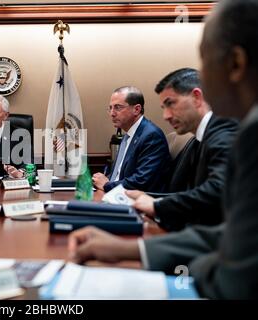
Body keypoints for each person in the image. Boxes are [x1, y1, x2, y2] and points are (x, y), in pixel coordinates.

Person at [68, 0, 258, 299]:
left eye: (205, 61)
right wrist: (130, 249)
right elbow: (239, 235)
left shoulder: (243, 132)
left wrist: (181, 274)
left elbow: (236, 276)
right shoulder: (225, 131)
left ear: (235, 64)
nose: (202, 75)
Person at [131, 68, 238, 231]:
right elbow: (192, 192)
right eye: (163, 108)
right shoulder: (201, 136)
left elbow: (218, 190)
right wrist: (147, 198)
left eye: (170, 103)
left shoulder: (224, 130)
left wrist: (158, 205)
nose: (165, 116)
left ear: (196, 97)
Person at [92, 86, 170, 193]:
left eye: (118, 107)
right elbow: (118, 174)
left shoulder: (151, 136)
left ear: (136, 109)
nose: (112, 113)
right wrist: (101, 180)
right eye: (110, 108)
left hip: (134, 202)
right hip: (116, 195)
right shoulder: (128, 135)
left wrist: (106, 185)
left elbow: (141, 181)